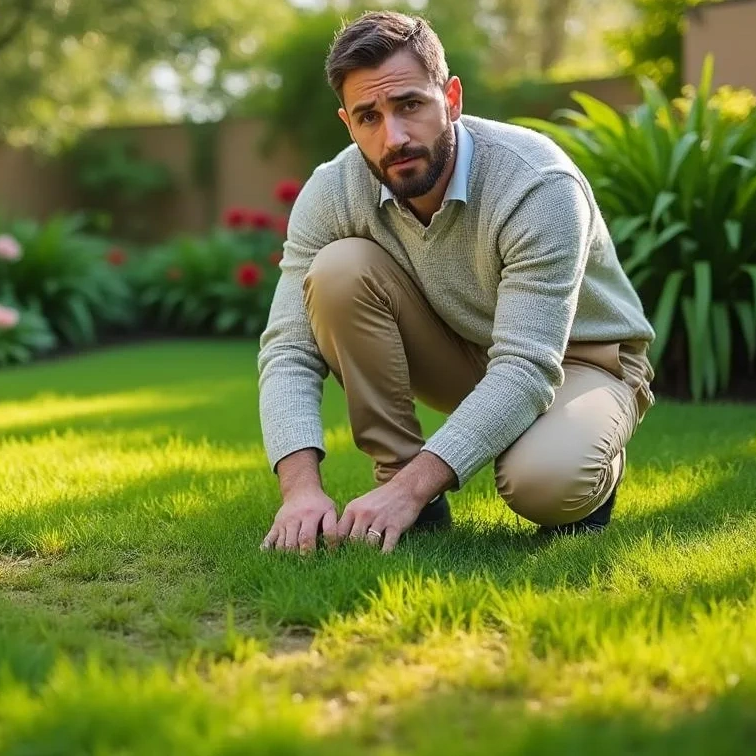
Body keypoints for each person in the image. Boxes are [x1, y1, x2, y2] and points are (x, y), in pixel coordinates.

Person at [257, 10, 657, 554]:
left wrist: (417, 483)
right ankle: (406, 492)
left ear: (451, 97)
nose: (393, 136)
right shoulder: (332, 190)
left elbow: (526, 365)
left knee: (545, 484)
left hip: (581, 359)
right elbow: (288, 348)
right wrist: (299, 491)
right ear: (347, 124)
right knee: (337, 270)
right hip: (461, 346)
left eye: (410, 105)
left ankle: (588, 458)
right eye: (368, 116)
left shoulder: (536, 181)